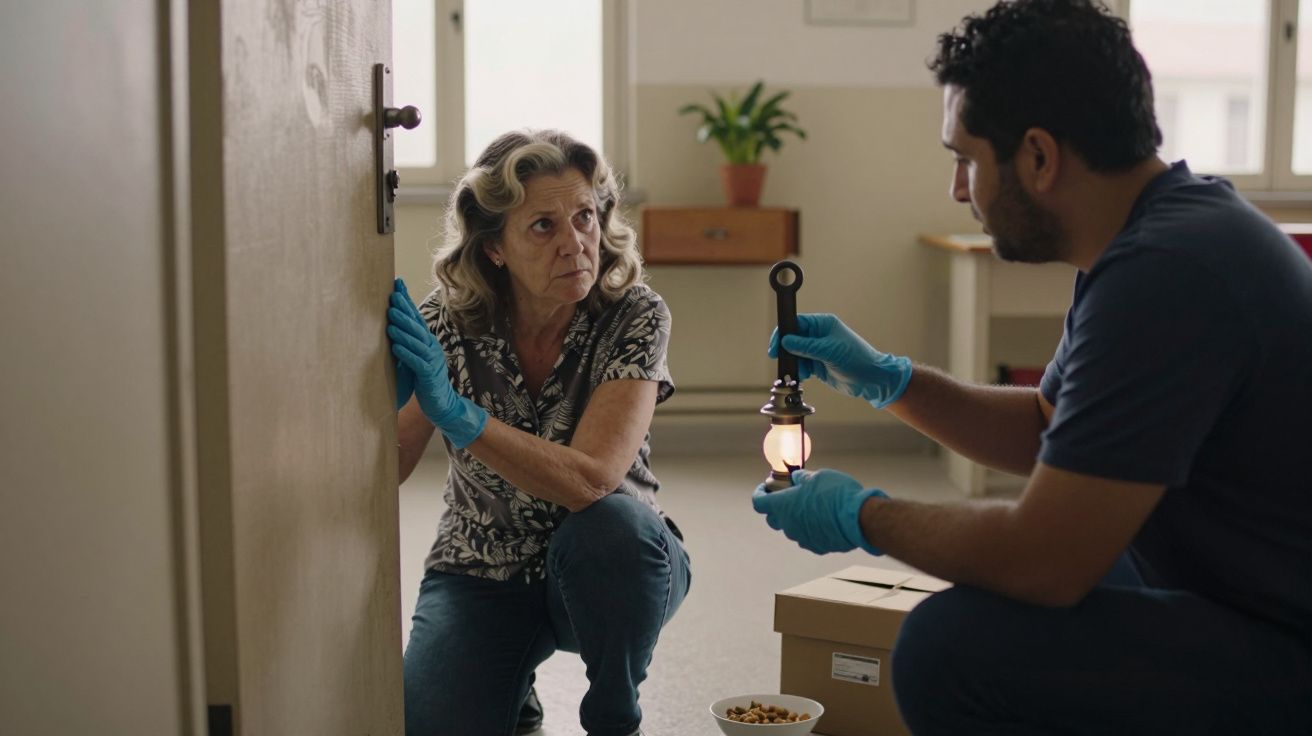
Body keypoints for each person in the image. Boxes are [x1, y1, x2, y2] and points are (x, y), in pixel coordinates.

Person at [751, 0, 1312, 733]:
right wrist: (890, 380)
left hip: (1287, 645)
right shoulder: (1157, 235)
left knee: (951, 647)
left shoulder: (1168, 274)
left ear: (1039, 157)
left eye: (966, 159)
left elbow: (1044, 560)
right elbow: (1050, 429)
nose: (959, 189)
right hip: (1233, 589)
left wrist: (864, 515)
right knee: (1027, 588)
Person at [388, 129, 690, 736]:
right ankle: (509, 690)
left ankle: (615, 714)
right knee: (430, 724)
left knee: (613, 528)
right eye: (542, 226)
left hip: (608, 568)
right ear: (494, 247)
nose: (576, 243)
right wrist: (358, 415)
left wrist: (461, 416)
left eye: (584, 217)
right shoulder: (444, 322)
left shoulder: (635, 315)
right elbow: (391, 463)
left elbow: (593, 480)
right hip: (479, 563)